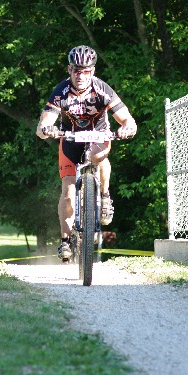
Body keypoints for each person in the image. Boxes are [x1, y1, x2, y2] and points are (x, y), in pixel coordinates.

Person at [36, 45, 137, 260]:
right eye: (76, 70)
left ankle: (105, 195)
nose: (81, 75)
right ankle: (64, 241)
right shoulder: (61, 92)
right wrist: (47, 129)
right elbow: (42, 126)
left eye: (86, 71)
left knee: (97, 157)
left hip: (98, 137)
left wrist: (127, 127)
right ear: (69, 70)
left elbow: (128, 119)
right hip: (70, 141)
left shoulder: (103, 90)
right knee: (68, 191)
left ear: (93, 71)